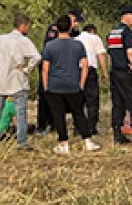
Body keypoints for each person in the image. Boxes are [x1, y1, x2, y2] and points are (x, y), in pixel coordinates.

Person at [0, 14, 42, 151]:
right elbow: (37, 57)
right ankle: (22, 141)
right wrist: (27, 69)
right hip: (17, 78)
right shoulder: (23, 40)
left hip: (1, 79)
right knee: (20, 112)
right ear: (23, 26)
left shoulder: (0, 39)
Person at [41, 15, 99, 155]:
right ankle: (87, 141)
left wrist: (46, 86)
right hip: (73, 84)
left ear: (56, 28)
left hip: (55, 85)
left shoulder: (50, 46)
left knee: (58, 115)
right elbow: (85, 66)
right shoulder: (77, 45)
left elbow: (45, 69)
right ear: (70, 28)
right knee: (78, 113)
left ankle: (64, 143)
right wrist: (81, 83)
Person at [37, 9, 83, 137]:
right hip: (50, 65)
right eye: (75, 20)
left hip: (65, 69)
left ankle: (55, 124)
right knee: (45, 96)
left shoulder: (75, 33)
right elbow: (50, 46)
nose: (76, 24)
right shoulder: (55, 28)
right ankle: (42, 125)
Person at [107, 6, 132, 146]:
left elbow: (110, 55)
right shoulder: (127, 32)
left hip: (115, 72)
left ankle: (117, 134)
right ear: (126, 16)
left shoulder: (112, 33)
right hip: (126, 72)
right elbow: (130, 51)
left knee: (118, 103)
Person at [76, 23, 108, 132]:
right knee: (92, 100)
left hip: (77, 70)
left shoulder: (76, 39)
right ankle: (91, 127)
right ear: (93, 31)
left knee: (78, 100)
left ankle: (78, 127)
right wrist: (104, 72)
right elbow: (101, 55)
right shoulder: (95, 38)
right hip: (90, 70)